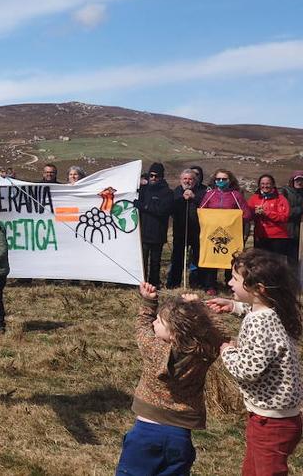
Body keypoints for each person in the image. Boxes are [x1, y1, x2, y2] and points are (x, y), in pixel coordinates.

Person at [206, 249, 303, 475]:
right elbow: (255, 310)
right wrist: (233, 306)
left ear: (258, 289)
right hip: (272, 417)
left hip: (271, 423)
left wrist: (227, 350)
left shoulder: (260, 322)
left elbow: (249, 369)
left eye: (235, 279)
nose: (229, 283)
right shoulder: (271, 310)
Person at [115, 281, 225, 475]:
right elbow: (220, 336)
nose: (154, 323)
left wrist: (149, 303)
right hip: (180, 436)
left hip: (144, 432)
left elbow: (141, 329)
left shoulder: (154, 348)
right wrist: (199, 309)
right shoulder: (203, 353)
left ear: (174, 334)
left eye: (159, 321)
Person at [168, 169, 211, 292]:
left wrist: (195, 198)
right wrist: (182, 199)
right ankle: (173, 283)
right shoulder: (176, 191)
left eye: (190, 179)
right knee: (177, 258)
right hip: (181, 230)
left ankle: (197, 282)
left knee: (198, 258)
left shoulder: (203, 191)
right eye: (185, 179)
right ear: (181, 180)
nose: (187, 181)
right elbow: (171, 207)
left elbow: (206, 206)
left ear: (195, 180)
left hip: (198, 231)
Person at [135, 163, 174, 288]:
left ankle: (154, 283)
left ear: (161, 177)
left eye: (156, 176)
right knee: (142, 260)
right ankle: (141, 282)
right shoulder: (143, 189)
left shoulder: (167, 192)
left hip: (158, 233)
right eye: (151, 175)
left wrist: (144, 206)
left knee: (155, 261)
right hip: (143, 232)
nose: (153, 178)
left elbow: (163, 210)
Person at [249, 175, 292, 259]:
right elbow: (248, 215)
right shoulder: (254, 198)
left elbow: (284, 217)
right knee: (260, 263)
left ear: (273, 185)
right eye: (262, 184)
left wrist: (266, 213)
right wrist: (254, 213)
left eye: (268, 183)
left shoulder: (281, 198)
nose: (265, 186)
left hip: (278, 237)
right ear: (259, 185)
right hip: (260, 235)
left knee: (276, 264)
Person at [285, 171, 303, 266]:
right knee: (289, 259)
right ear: (292, 181)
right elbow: (286, 212)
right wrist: (300, 209)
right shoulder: (285, 192)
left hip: (300, 232)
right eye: (297, 180)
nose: (300, 182)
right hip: (289, 231)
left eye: (302, 180)